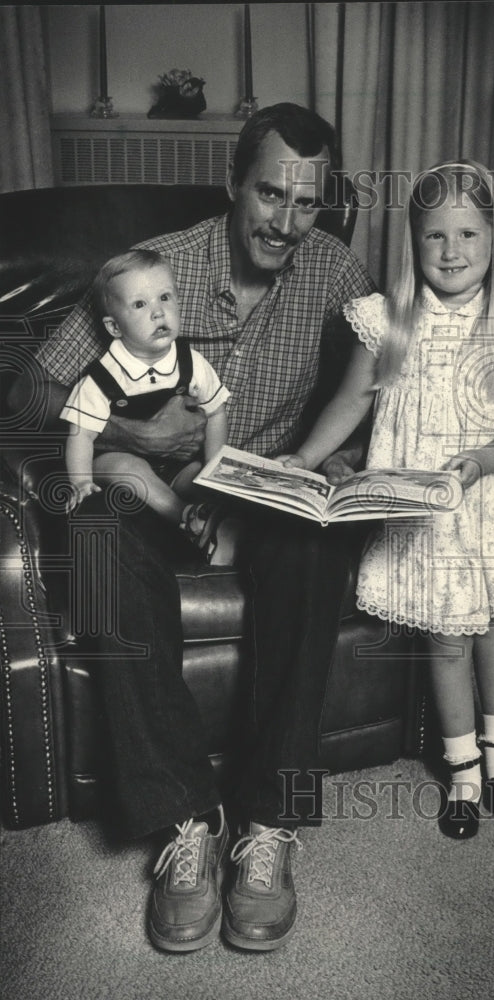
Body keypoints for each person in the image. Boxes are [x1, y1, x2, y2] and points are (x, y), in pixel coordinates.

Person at [8, 103, 376, 951]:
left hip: (262, 496)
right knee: (96, 540)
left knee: (314, 536)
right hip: (153, 491)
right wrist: (128, 439)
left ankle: (266, 824)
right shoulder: (155, 268)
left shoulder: (337, 273)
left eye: (307, 203)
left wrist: (348, 454)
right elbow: (24, 393)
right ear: (233, 185)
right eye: (270, 195)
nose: (285, 223)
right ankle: (181, 823)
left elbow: (385, 374)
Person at [279, 160, 494, 840]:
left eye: (467, 235)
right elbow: (350, 401)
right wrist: (305, 458)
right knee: (444, 637)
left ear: (493, 243)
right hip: (420, 522)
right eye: (434, 237)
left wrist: (478, 461)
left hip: (481, 511)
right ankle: (460, 769)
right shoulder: (386, 322)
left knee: (489, 628)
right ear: (413, 243)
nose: (451, 252)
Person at [61, 249, 229, 547]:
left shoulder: (191, 363)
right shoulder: (102, 377)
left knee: (200, 480)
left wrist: (213, 468)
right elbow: (80, 434)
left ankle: (212, 523)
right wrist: (80, 481)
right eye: (140, 304)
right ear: (114, 326)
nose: (158, 312)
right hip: (118, 463)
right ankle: (183, 516)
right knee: (129, 469)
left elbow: (216, 412)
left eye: (165, 297)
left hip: (176, 465)